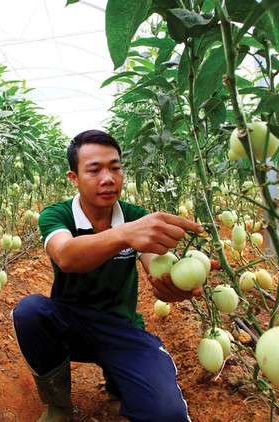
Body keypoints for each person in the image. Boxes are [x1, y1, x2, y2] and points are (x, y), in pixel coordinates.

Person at [12, 129, 214, 422]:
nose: (108, 178)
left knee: (167, 413)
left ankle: (117, 384)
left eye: (115, 168)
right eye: (94, 170)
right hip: (69, 324)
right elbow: (66, 255)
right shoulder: (58, 215)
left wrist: (173, 284)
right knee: (30, 312)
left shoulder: (135, 216)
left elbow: (155, 270)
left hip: (122, 328)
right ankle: (58, 404)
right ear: (74, 178)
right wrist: (125, 234)